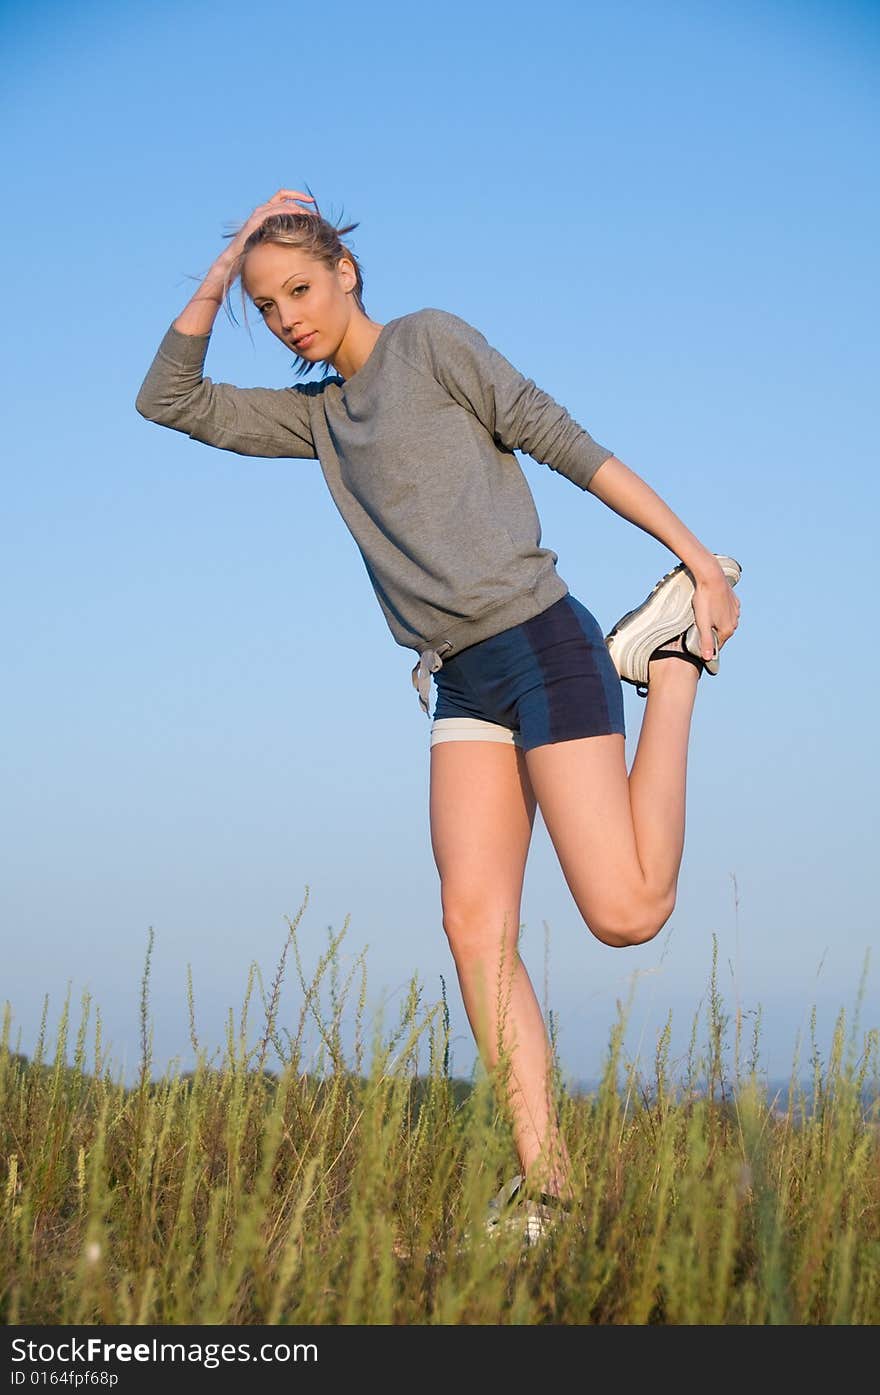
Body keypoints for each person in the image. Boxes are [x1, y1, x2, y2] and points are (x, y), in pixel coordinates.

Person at [135, 187, 741, 1236]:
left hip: (543, 641)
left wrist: (696, 561)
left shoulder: (431, 343)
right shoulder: (316, 420)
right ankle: (545, 1182)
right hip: (460, 678)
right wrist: (228, 255)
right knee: (472, 927)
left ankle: (671, 660)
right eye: (268, 305)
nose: (288, 318)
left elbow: (566, 442)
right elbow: (169, 400)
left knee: (626, 914)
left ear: (345, 272)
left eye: (299, 290)